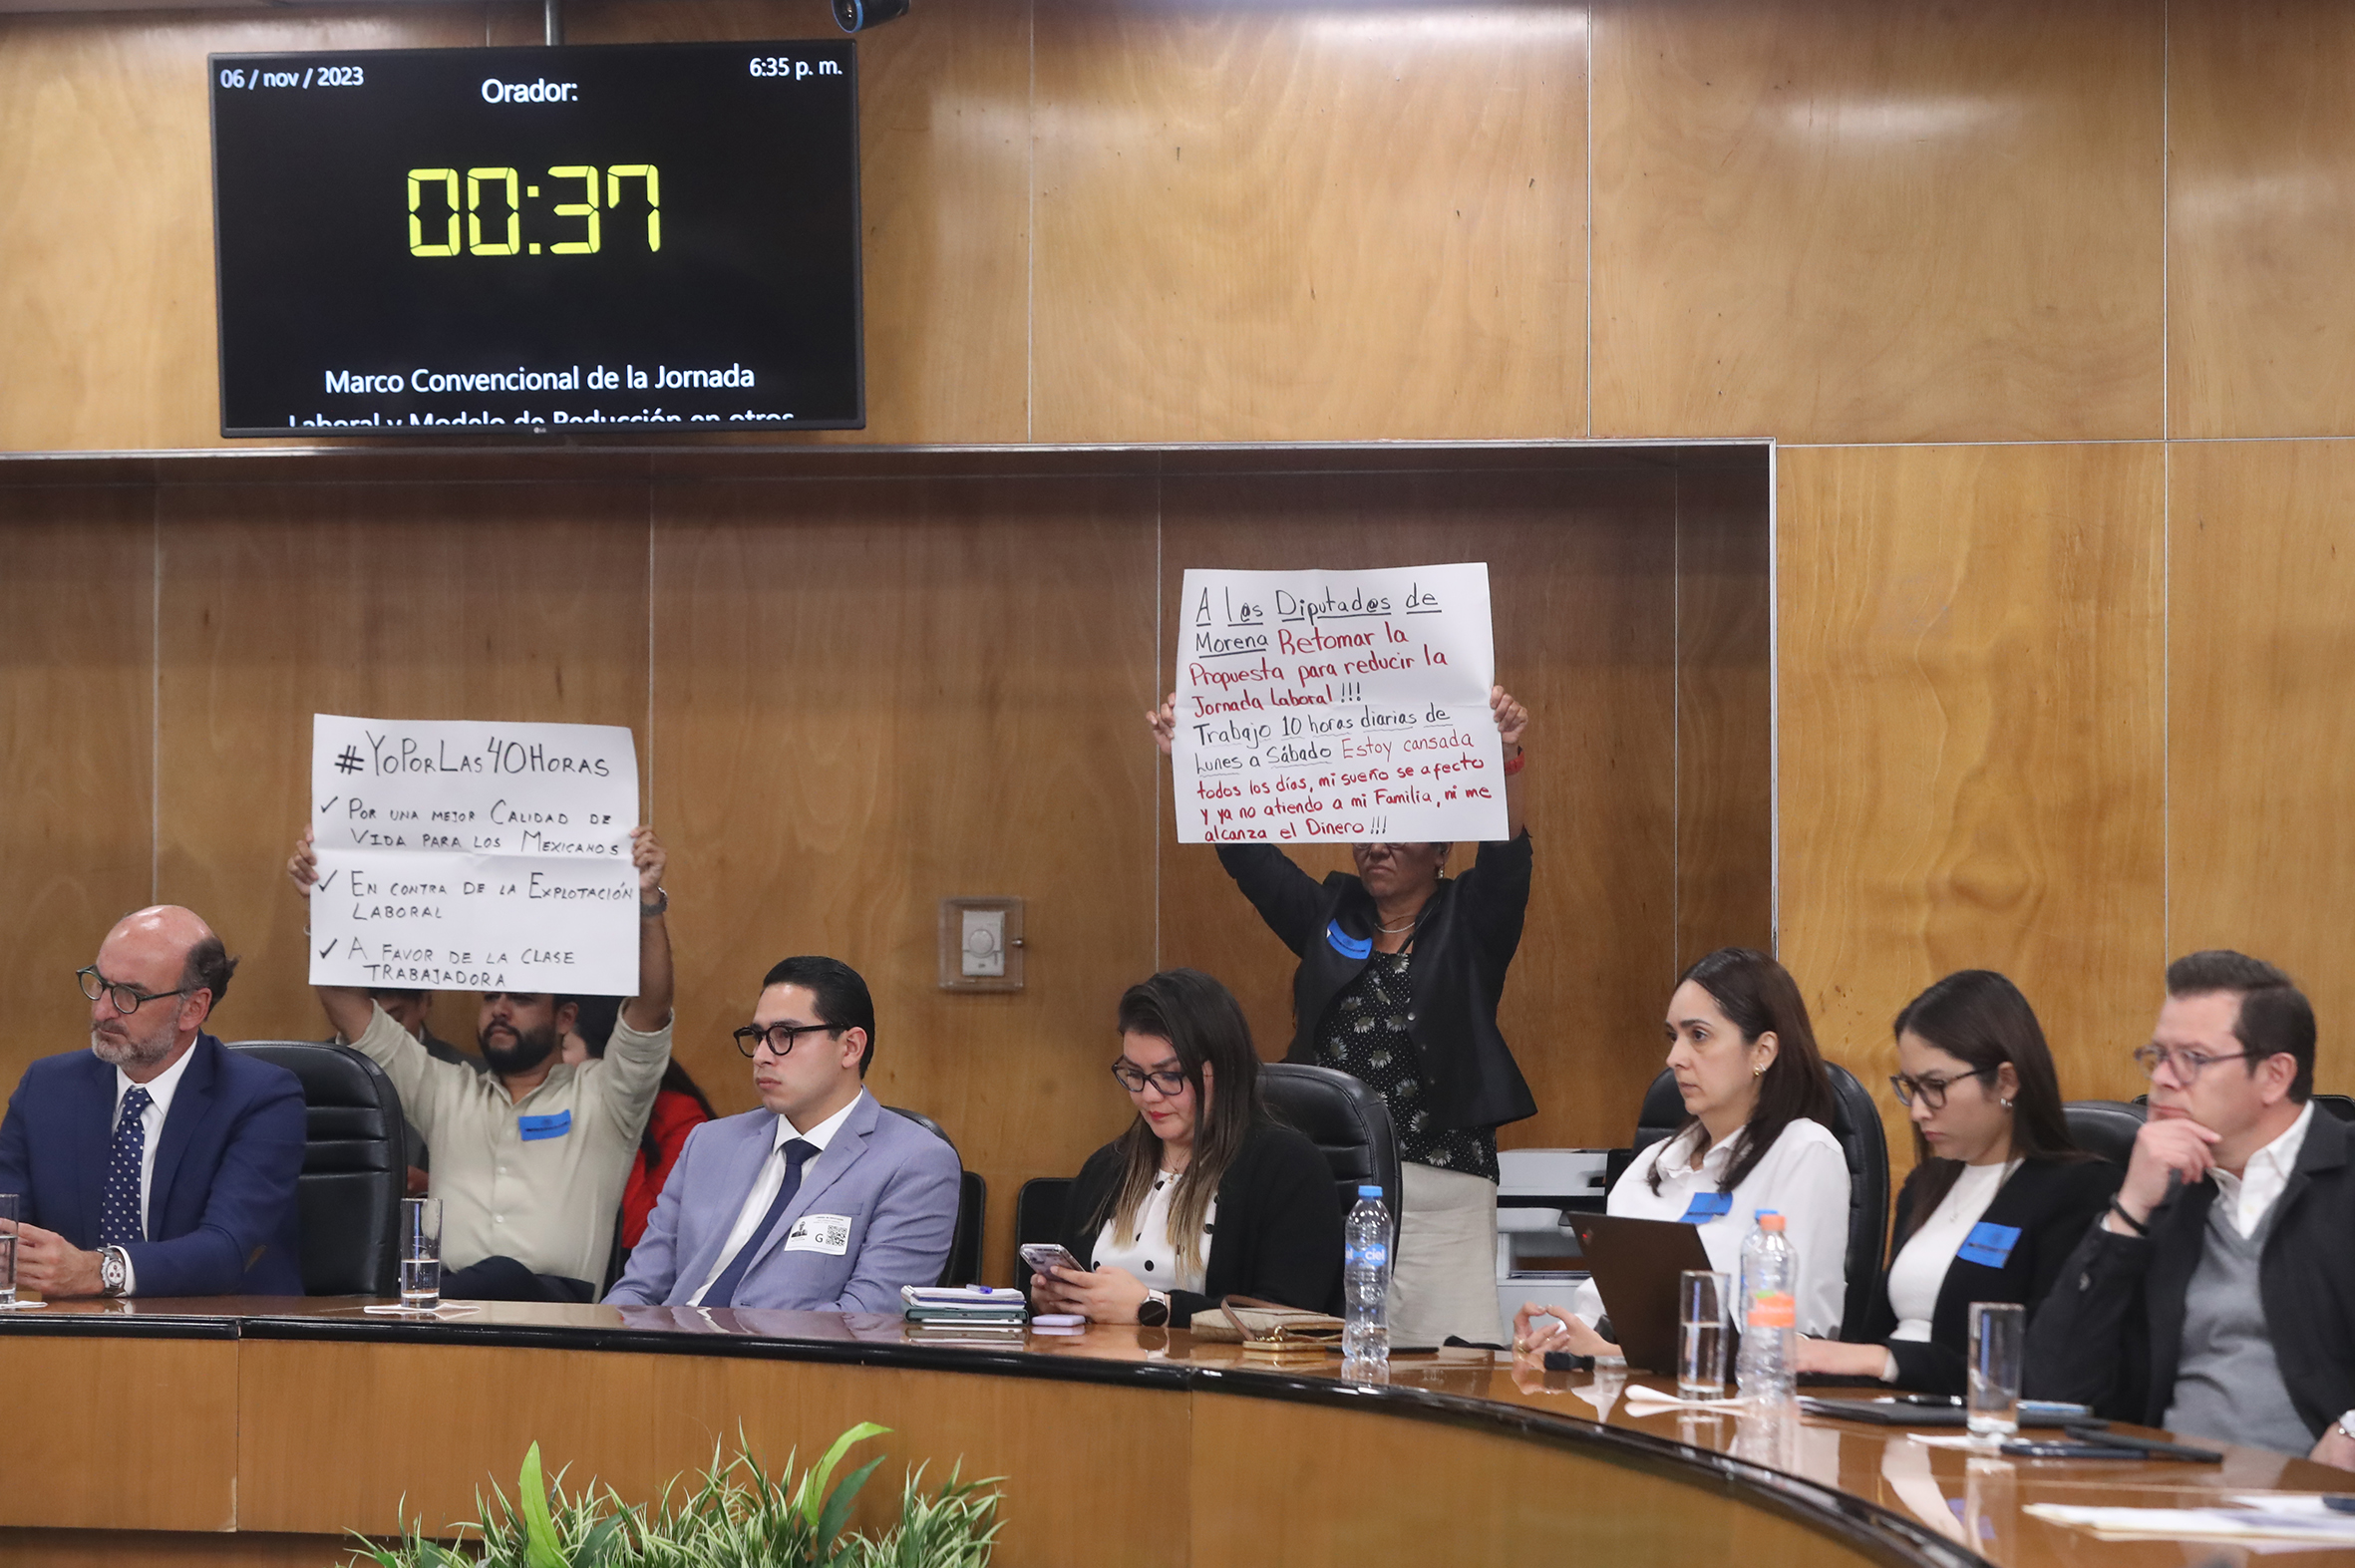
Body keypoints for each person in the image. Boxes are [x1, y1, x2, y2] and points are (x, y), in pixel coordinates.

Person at [1150, 685, 1534, 1347]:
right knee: (1334, 1354)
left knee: (1448, 1359)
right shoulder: (1331, 915)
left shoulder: (1470, 920)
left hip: (1442, 1182)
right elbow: (1251, 858)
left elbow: (1507, 852)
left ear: (1442, 848)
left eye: (1397, 830)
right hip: (1338, 1184)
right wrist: (1193, 758)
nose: (1375, 844)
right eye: (1365, 828)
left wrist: (1505, 760)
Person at [288, 825, 675, 1301]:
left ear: (565, 1018)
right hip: (449, 1311)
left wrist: (648, 904)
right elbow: (350, 1009)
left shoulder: (606, 1096)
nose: (500, 1009)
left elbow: (651, 1010)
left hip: (556, 1313)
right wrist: (321, 901)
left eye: (522, 998)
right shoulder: (447, 1091)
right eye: (491, 996)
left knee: (501, 1276)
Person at [2027, 952, 2355, 1466]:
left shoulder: (2345, 1176)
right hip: (2162, 1487)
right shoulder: (2167, 1195)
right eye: (2158, 1055)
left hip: (2313, 1498)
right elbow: (2054, 1388)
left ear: (2275, 1075)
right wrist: (2130, 1209)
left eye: (2194, 1058)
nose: (2163, 1077)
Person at [1513, 947, 1850, 1359]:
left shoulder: (1804, 1152)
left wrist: (1616, 1356)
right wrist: (1556, 1340)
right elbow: (1601, 1311)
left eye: (1699, 1036)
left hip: (1744, 1392)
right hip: (1630, 1389)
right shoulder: (1652, 1163)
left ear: (1762, 1051)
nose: (1674, 1058)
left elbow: (1797, 1338)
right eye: (1674, 1037)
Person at [1791, 971, 2118, 1394]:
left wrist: (1886, 1361)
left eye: (1936, 1086)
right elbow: (1875, 1336)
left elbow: (2037, 1368)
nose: (1918, 1111)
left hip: (1974, 1420)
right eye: (1911, 1087)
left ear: (2006, 1081)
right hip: (1886, 1408)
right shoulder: (1926, 1185)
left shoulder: (2077, 1189)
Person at [606, 956, 961, 1311]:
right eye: (758, 1036)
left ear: (850, 1047)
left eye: (785, 1035)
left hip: (789, 1347)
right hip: (672, 1339)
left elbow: (864, 1319)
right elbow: (637, 1289)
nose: (761, 1055)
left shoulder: (915, 1162)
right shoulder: (709, 1143)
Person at [0, 906, 304, 1298]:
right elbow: (7, 1222)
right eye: (99, 984)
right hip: (77, 1328)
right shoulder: (47, 1088)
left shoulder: (262, 1098)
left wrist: (101, 1270)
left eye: (129, 995)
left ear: (193, 1008)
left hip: (222, 1328)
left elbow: (227, 1250)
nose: (102, 1010)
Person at [1032, 969, 1344, 1328]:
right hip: (1099, 1360)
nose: (1149, 1096)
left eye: (1171, 1076)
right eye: (1135, 1074)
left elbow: (1291, 1320)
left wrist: (1155, 1309)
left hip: (1221, 1366)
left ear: (1225, 1068)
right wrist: (1059, 1300)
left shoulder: (1289, 1167)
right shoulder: (1107, 1167)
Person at [562, 993, 717, 1252]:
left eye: (562, 1047)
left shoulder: (679, 1117)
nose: (546, 1061)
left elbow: (642, 1238)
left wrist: (612, 1123)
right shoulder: (537, 1108)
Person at [370, 986, 483, 1197]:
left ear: (424, 1002)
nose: (378, 1033)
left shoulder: (476, 1078)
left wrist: (434, 1185)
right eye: (366, 1021)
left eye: (393, 1019)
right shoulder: (317, 1071)